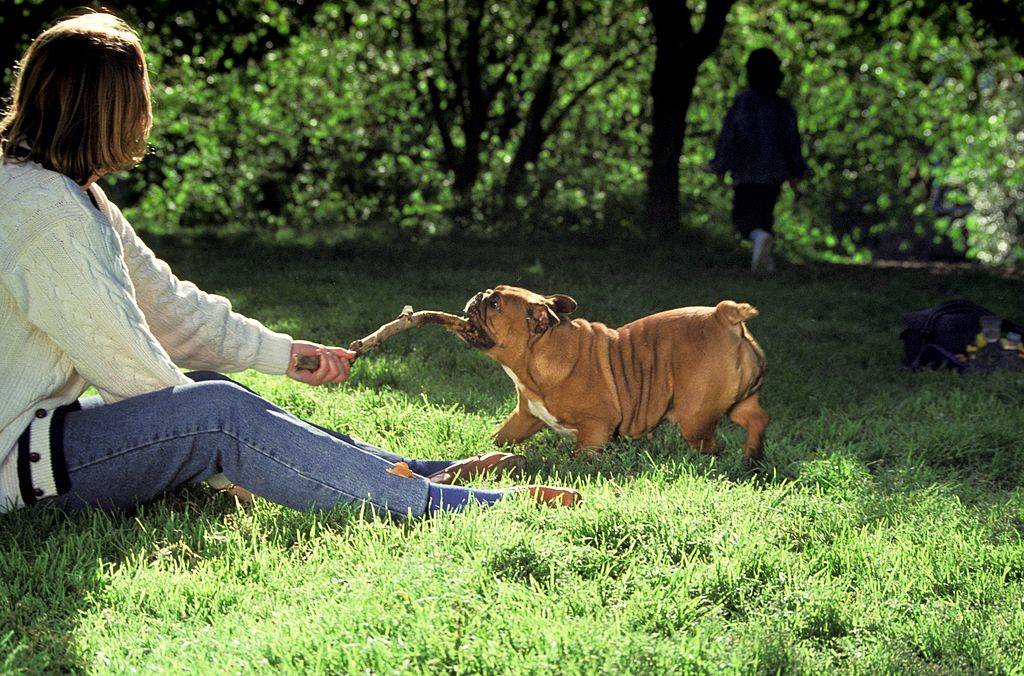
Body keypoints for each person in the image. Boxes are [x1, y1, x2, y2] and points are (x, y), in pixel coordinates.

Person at [0, 12, 579, 519]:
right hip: (15, 469)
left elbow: (171, 311)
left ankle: (417, 472)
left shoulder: (70, 197)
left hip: (41, 442)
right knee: (215, 410)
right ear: (111, 113)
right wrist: (229, 461)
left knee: (209, 394)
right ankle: (438, 504)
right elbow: (131, 368)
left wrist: (288, 355)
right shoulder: (46, 213)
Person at [710, 47, 808, 273]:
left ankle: (760, 243)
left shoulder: (742, 104)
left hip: (746, 173)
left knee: (743, 219)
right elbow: (792, 143)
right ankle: (765, 261)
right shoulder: (783, 108)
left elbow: (729, 136)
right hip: (774, 174)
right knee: (765, 215)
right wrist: (795, 173)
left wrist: (721, 166)